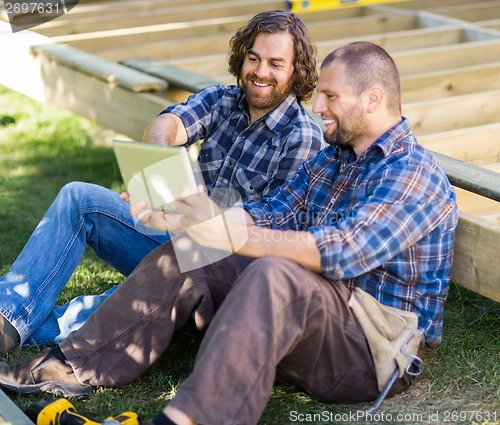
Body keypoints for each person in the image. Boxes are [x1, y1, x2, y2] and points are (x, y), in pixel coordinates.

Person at [0, 41, 458, 425]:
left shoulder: (412, 173)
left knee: (274, 275)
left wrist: (226, 234)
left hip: (374, 348)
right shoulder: (332, 161)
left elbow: (342, 251)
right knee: (192, 252)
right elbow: (270, 212)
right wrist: (192, 220)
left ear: (374, 98)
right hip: (315, 316)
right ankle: (68, 367)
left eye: (331, 97)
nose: (318, 107)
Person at [0, 10, 324, 356]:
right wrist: (155, 174)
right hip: (180, 237)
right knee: (78, 197)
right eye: (254, 58)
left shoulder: (302, 139)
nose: (260, 72)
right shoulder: (223, 100)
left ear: (296, 71)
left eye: (275, 63)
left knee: (126, 300)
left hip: (224, 275)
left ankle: (42, 325)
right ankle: (7, 318)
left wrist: (203, 224)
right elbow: (167, 124)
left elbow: (271, 237)